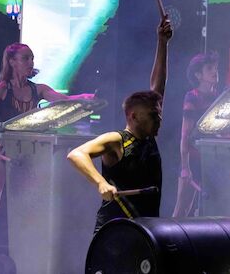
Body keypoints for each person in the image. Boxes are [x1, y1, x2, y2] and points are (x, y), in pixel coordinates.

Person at [0, 43, 94, 273]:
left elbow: (61, 99)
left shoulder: (38, 89)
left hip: (27, 155)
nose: (31, 63)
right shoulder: (0, 90)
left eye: (32, 58)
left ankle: (30, 254)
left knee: (30, 206)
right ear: (12, 62)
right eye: (26, 58)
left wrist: (82, 98)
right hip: (0, 151)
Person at [67, 15, 172, 232]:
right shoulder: (117, 140)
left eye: (159, 114)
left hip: (146, 229)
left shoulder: (148, 139)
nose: (159, 119)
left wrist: (162, 42)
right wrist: (101, 183)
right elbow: (76, 154)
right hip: (114, 231)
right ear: (134, 116)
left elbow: (157, 87)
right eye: (153, 115)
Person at [173, 51, 219, 217]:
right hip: (193, 158)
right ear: (198, 75)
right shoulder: (192, 97)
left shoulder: (218, 96)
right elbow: (185, 134)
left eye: (216, 68)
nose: (215, 71)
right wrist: (185, 168)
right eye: (209, 68)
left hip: (211, 159)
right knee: (182, 209)